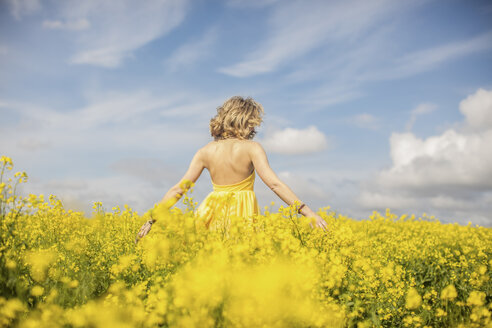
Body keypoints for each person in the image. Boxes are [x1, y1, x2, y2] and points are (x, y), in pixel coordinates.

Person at [135, 96, 328, 243]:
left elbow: (179, 189)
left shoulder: (204, 151)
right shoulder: (253, 148)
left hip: (209, 214)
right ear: (246, 121)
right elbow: (275, 185)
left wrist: (152, 219)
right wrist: (308, 212)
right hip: (241, 216)